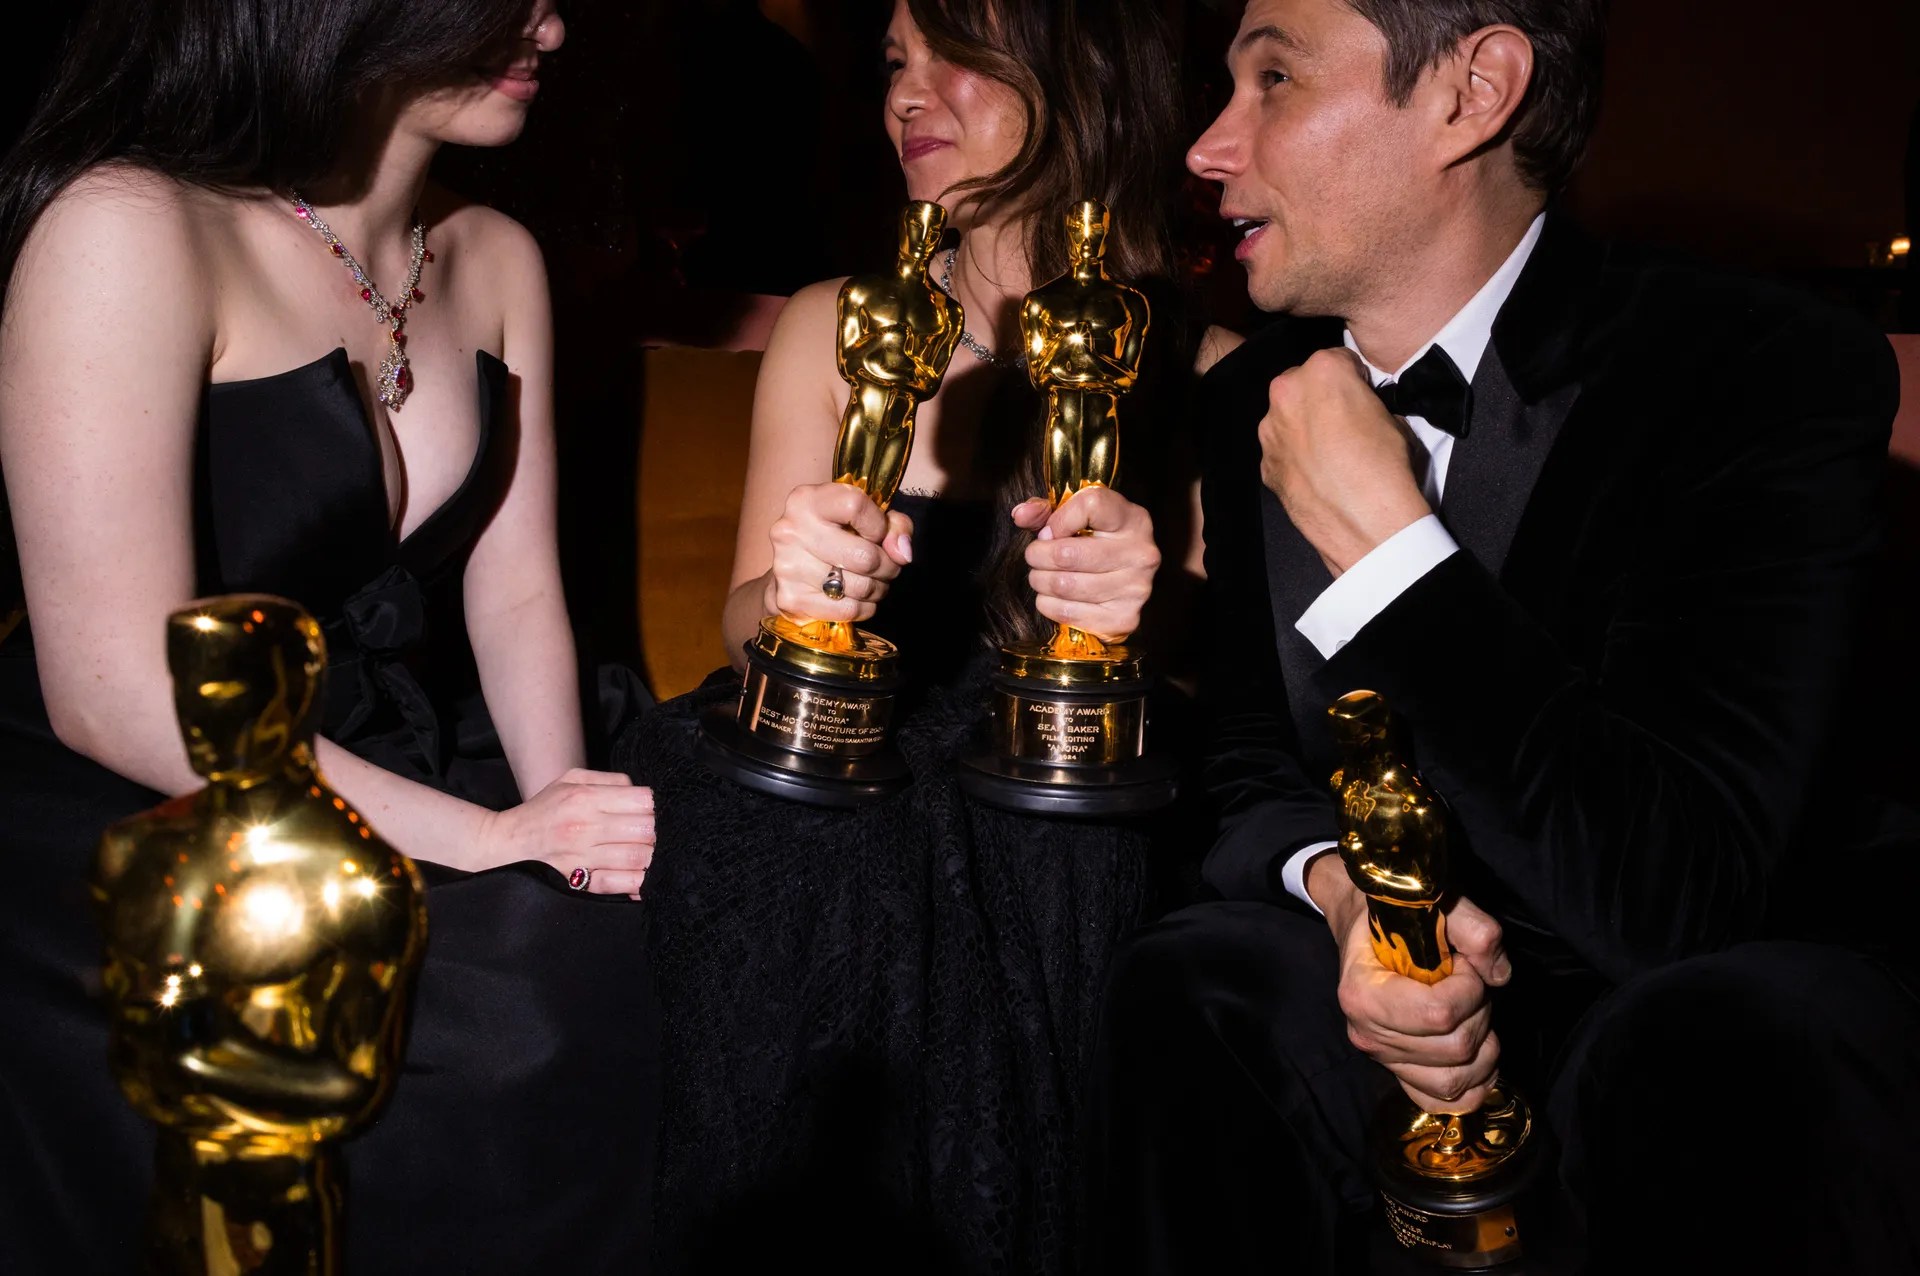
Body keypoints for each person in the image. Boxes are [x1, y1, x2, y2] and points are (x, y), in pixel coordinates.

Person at [1089, 0, 1920, 1272]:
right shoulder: (1255, 392)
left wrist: (1392, 555)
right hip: (1402, 993)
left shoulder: (1759, 364)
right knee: (1195, 977)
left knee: (1720, 1040)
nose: (1208, 145)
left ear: (1472, 92)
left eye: (1275, 79)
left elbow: (1680, 892)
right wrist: (1349, 901)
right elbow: (1252, 760)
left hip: (1690, 989)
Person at [0, 2, 659, 1271]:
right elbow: (113, 688)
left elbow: (517, 594)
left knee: (647, 941)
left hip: (383, 749)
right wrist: (488, 840)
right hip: (142, 794)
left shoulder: (494, 253)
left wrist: (563, 825)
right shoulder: (130, 225)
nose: (553, 25)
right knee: (504, 1028)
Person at [615, 1, 1230, 1270]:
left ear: (1076, 70)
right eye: (895, 60)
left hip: (1066, 797)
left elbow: (1210, 675)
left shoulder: (1194, 358)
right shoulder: (837, 319)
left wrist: (1141, 598)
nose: (906, 93)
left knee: (1031, 853)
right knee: (787, 820)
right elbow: (739, 621)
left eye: (956, 56)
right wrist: (802, 594)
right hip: (851, 765)